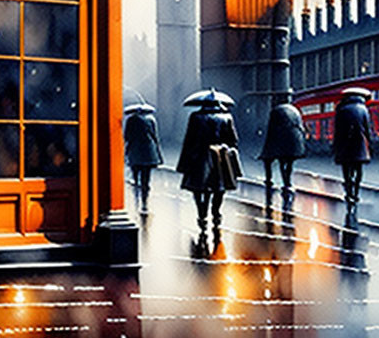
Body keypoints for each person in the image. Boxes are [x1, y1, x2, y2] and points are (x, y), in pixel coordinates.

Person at [177, 89, 242, 243]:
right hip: (221, 157)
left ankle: (202, 215)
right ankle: (216, 214)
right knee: (219, 188)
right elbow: (233, 140)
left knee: (199, 188)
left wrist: (185, 162)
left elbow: (189, 140)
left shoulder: (196, 117)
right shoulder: (226, 117)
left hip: (200, 157)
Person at [258, 96, 306, 196]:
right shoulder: (295, 110)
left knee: (277, 161)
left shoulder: (276, 111)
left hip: (282, 139)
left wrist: (266, 150)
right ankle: (287, 182)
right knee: (289, 163)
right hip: (295, 140)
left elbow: (272, 130)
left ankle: (272, 180)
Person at [333, 87, 372, 209]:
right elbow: (367, 129)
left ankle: (348, 191)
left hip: (344, 144)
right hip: (359, 143)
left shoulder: (341, 109)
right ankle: (356, 192)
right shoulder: (364, 109)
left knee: (346, 169)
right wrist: (369, 143)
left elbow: (337, 130)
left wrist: (335, 146)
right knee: (358, 169)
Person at [123, 103, 163, 214]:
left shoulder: (131, 120)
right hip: (148, 151)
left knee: (136, 177)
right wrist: (158, 154)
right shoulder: (151, 119)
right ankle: (145, 201)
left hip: (134, 151)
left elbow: (126, 137)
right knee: (146, 179)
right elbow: (155, 137)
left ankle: (136, 199)